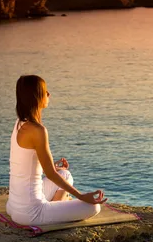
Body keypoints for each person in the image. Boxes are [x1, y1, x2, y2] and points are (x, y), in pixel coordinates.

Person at [6, 75, 106, 226]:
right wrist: (81, 196)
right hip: (31, 213)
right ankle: (54, 209)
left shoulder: (20, 123)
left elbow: (30, 165)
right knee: (93, 207)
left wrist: (53, 166)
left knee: (65, 174)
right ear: (36, 96)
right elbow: (51, 174)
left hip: (13, 206)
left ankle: (56, 207)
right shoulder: (38, 130)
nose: (48, 94)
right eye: (45, 91)